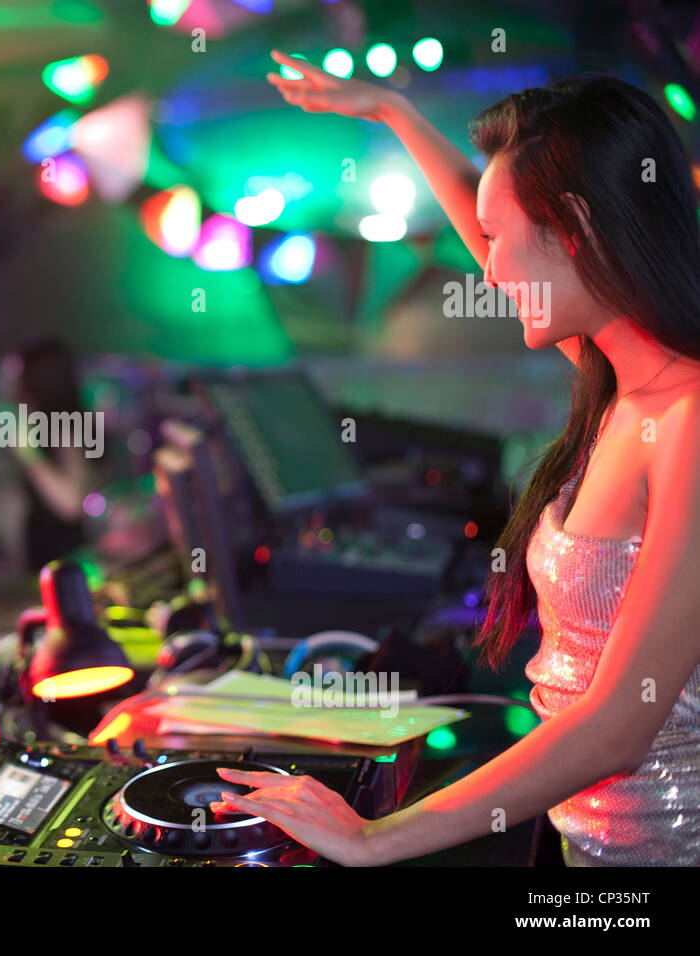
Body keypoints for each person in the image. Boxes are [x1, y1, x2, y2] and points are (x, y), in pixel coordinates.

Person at [209, 54, 700, 867]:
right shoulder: (621, 381)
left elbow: (619, 728)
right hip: (586, 843)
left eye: (498, 239)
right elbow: (504, 240)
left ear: (573, 228)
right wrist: (393, 112)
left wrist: (373, 838)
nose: (488, 268)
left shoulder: (687, 421)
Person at [9, 337, 91, 571]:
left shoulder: (62, 425)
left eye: (18, 373)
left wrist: (29, 455)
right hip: (48, 553)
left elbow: (71, 503)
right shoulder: (41, 423)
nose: (11, 383)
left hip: (64, 556)